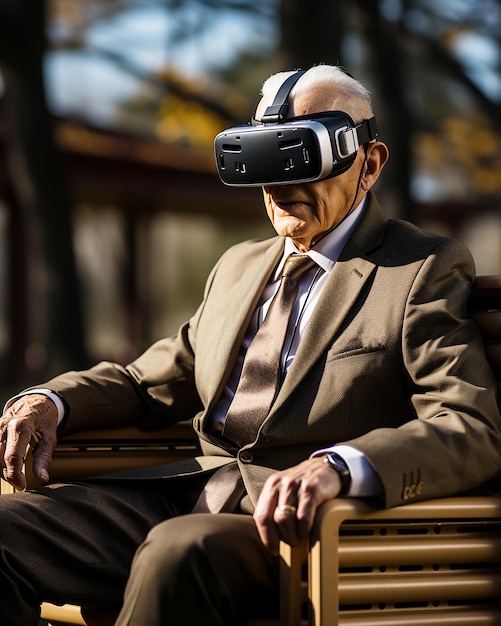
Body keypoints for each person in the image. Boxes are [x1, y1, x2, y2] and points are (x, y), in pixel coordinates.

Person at [0, 64, 500, 626]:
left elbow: (468, 421)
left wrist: (340, 467)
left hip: (295, 525)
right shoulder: (239, 266)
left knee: (177, 552)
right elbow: (152, 379)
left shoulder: (418, 268)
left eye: (300, 158)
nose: (280, 184)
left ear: (370, 164)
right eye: (262, 158)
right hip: (181, 489)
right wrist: (49, 399)